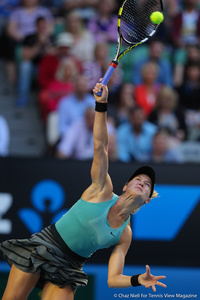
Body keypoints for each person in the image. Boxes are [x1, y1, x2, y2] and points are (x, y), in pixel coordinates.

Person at [0, 80, 166, 300]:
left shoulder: (125, 234)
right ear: (125, 185)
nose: (142, 183)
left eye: (147, 185)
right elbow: (101, 147)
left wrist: (137, 280)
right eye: (138, 179)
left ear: (146, 200)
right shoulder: (102, 189)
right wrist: (101, 105)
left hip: (69, 267)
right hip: (44, 245)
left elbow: (113, 278)